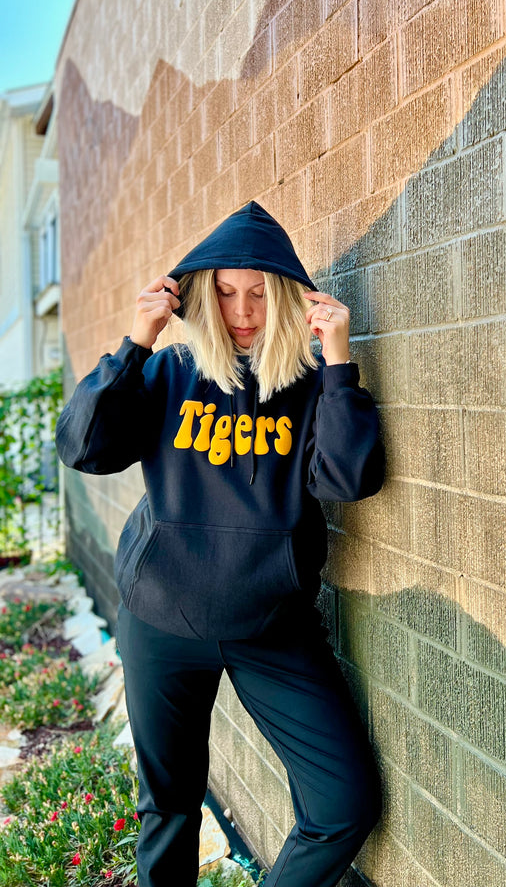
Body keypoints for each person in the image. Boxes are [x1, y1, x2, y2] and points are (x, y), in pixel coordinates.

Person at [55, 201, 385, 887]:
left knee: (344, 803)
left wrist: (339, 361)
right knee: (169, 811)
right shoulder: (170, 372)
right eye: (227, 292)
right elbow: (84, 446)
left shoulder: (306, 384)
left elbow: (349, 479)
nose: (242, 310)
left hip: (274, 626)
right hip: (161, 622)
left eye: (260, 293)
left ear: (287, 295)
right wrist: (133, 343)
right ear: (203, 294)